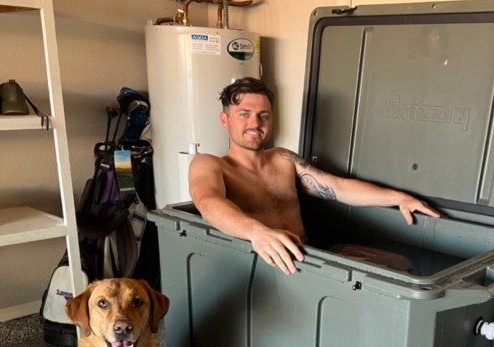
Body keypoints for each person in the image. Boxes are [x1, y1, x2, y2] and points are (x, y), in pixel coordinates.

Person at [189, 77, 441, 275]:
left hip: (312, 253)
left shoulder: (283, 159)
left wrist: (399, 198)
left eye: (263, 115)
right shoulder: (209, 164)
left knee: (399, 264)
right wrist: (258, 233)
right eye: (244, 114)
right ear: (225, 120)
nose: (255, 123)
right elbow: (208, 202)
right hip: (270, 263)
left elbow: (338, 187)